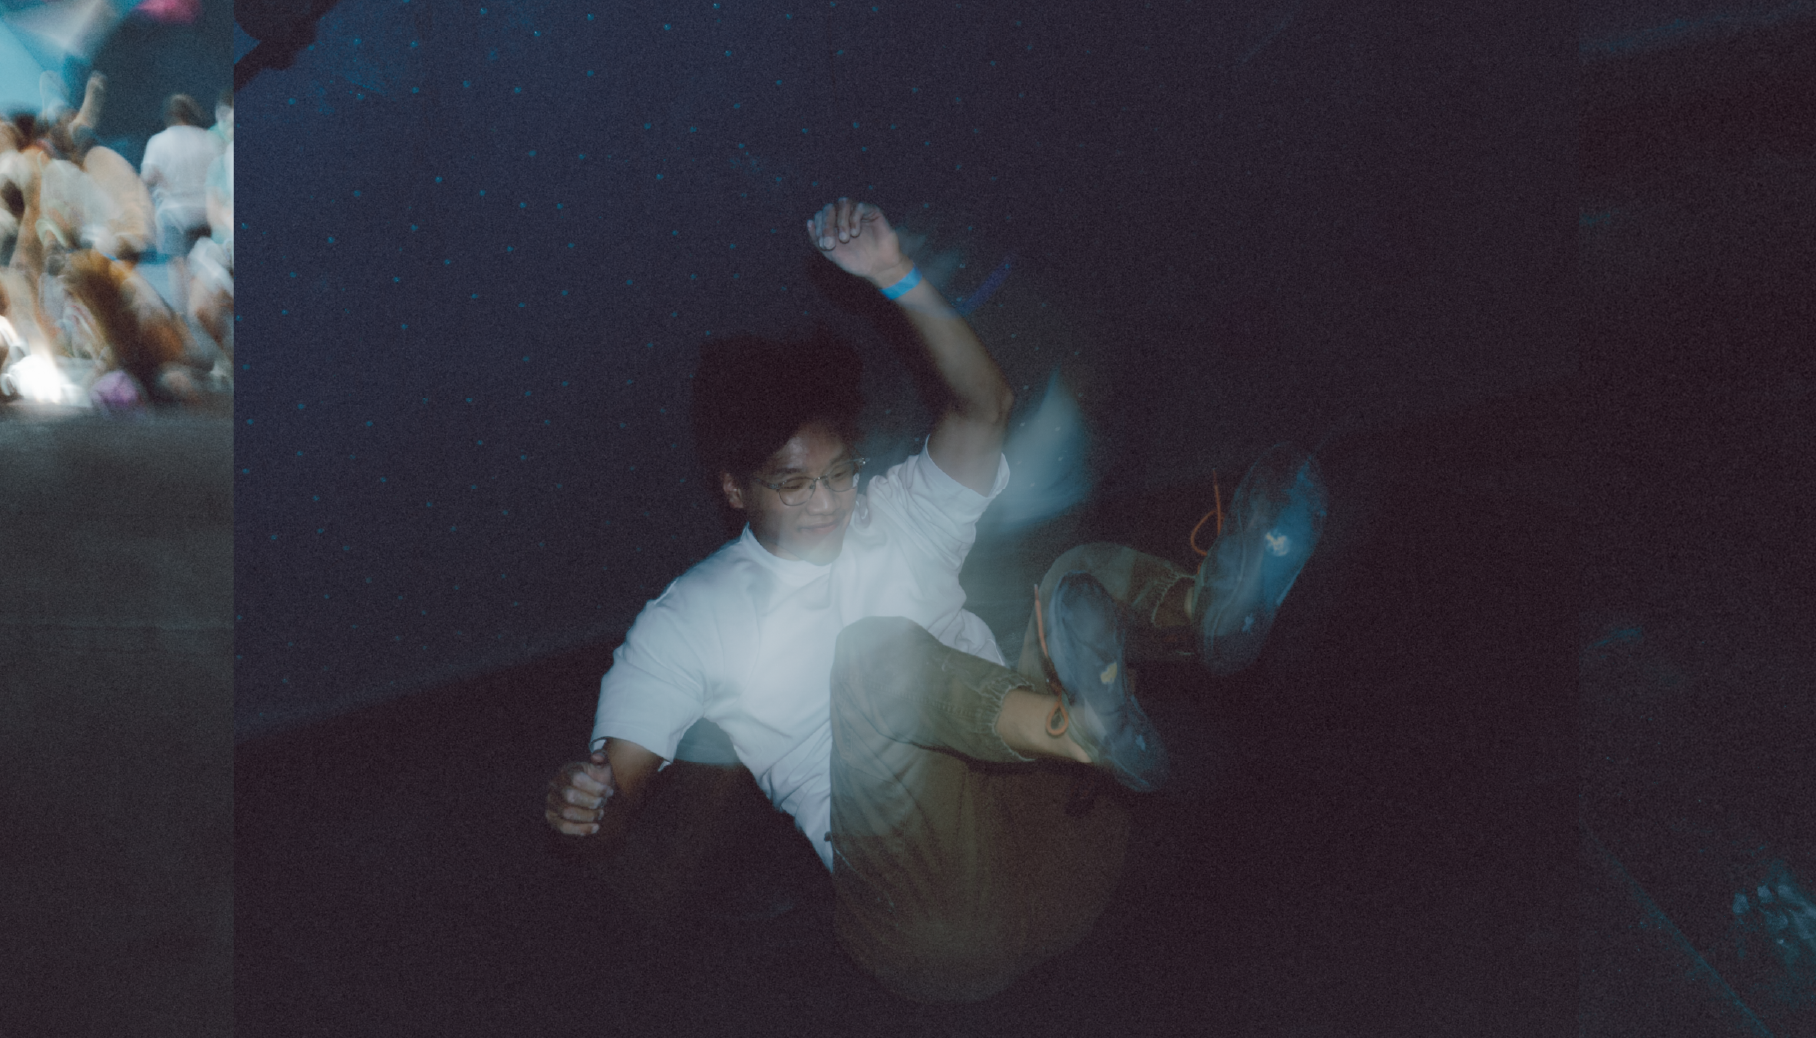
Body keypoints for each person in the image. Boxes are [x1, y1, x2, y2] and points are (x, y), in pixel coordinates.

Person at [539, 199, 1327, 1002]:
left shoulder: (898, 513)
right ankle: (1082, 726)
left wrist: (894, 274)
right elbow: (618, 790)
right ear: (736, 487)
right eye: (793, 486)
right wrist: (588, 808)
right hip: (934, 912)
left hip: (1065, 839)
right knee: (873, 657)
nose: (827, 504)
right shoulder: (686, 620)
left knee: (1074, 576)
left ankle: (1207, 614)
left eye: (839, 475)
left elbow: (985, 408)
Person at [139, 92, 218, 266]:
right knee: (206, 266)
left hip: (175, 215)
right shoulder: (210, 139)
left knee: (178, 265)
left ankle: (183, 294)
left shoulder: (158, 141)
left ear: (168, 116)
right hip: (207, 212)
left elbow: (147, 178)